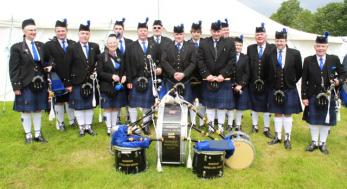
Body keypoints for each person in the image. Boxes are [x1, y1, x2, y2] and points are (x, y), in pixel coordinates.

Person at [302, 32, 345, 154]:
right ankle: (314, 142)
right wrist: (304, 96)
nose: (320, 48)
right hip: (313, 95)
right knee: (313, 120)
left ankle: (323, 143)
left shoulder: (334, 59)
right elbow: (304, 79)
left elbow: (343, 73)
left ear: (327, 47)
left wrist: (338, 81)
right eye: (318, 46)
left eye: (323, 46)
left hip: (329, 95)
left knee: (326, 121)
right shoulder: (308, 60)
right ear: (314, 47)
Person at [9, 18, 51, 143]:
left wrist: (49, 65)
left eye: (34, 30)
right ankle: (28, 135)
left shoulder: (40, 45)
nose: (33, 32)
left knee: (38, 108)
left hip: (40, 83)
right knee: (26, 110)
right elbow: (13, 68)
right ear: (24, 31)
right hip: (25, 84)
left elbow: (49, 59)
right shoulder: (17, 48)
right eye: (30, 30)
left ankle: (37, 134)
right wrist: (16, 87)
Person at [197, 20, 236, 134]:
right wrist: (206, 74)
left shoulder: (229, 43)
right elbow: (200, 60)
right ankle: (210, 126)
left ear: (221, 31)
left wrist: (223, 75)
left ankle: (220, 127)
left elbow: (232, 61)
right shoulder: (204, 43)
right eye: (214, 31)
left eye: (218, 31)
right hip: (208, 78)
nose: (216, 34)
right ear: (211, 31)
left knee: (221, 106)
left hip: (223, 79)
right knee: (210, 105)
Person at [267, 29, 303, 150]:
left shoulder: (295, 53)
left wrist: (291, 81)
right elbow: (267, 70)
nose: (279, 43)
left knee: (287, 113)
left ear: (286, 41)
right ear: (275, 41)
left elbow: (299, 71)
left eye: (281, 41)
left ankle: (288, 138)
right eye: (277, 40)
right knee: (277, 113)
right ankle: (277, 136)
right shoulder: (270, 53)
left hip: (289, 88)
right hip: (274, 88)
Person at [64, 21, 101, 137]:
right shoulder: (72, 48)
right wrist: (68, 83)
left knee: (89, 105)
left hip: (90, 81)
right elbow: (67, 66)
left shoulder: (94, 47)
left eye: (86, 33)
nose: (84, 35)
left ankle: (88, 126)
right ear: (78, 34)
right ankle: (81, 127)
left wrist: (96, 70)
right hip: (76, 82)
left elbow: (99, 62)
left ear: (89, 34)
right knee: (79, 107)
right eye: (82, 33)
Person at [126, 18, 160, 134]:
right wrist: (129, 80)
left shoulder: (154, 45)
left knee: (148, 103)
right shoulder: (131, 46)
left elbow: (158, 60)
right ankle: (134, 124)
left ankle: (146, 124)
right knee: (132, 104)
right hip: (136, 78)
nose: (143, 33)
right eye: (141, 31)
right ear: (137, 32)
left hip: (149, 78)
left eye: (145, 30)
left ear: (147, 32)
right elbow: (128, 64)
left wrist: (158, 68)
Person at [45, 19, 76, 131]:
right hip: (56, 77)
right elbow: (46, 60)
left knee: (70, 99)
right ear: (55, 31)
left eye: (63, 31)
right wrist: (49, 66)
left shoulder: (73, 43)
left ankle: (73, 121)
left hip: (71, 76)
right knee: (59, 100)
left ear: (67, 31)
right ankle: (61, 122)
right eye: (58, 31)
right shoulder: (49, 45)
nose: (61, 33)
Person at [247, 23, 275, 138]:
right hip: (253, 82)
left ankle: (266, 128)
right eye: (257, 34)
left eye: (261, 34)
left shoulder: (272, 48)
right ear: (255, 36)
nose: (259, 36)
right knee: (254, 105)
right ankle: (255, 126)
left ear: (266, 36)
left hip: (267, 82)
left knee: (267, 106)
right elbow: (248, 65)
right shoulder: (250, 48)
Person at [97, 34, 127, 135]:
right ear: (106, 44)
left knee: (115, 106)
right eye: (110, 43)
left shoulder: (121, 55)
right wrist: (111, 77)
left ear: (117, 44)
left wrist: (124, 76)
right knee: (108, 107)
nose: (112, 44)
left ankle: (114, 126)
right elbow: (99, 73)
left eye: (114, 43)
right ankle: (109, 127)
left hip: (118, 86)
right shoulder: (102, 56)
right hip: (106, 86)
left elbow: (125, 69)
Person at [161, 24, 196, 103]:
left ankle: (185, 115)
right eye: (177, 34)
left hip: (185, 80)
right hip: (171, 80)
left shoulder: (191, 46)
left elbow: (193, 63)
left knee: (185, 103)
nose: (179, 36)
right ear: (173, 34)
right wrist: (173, 73)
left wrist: (184, 74)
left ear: (183, 34)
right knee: (170, 105)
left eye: (180, 34)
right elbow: (164, 61)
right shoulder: (167, 46)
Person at [113, 18, 133, 124]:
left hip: (128, 75)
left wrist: (127, 75)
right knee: (117, 97)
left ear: (123, 30)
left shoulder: (130, 43)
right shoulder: (110, 43)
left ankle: (129, 117)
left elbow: (132, 61)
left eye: (120, 28)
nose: (118, 30)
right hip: (115, 76)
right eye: (116, 28)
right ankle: (117, 118)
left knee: (129, 97)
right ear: (113, 30)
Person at [230, 35, 250, 131]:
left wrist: (241, 85)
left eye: (240, 45)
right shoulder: (228, 57)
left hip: (241, 87)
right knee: (229, 107)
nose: (238, 47)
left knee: (239, 108)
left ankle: (238, 125)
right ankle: (230, 125)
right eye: (236, 45)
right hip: (229, 85)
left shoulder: (245, 58)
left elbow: (247, 73)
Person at [188, 21, 205, 127]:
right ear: (191, 32)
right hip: (190, 77)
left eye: (198, 32)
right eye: (194, 32)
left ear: (201, 33)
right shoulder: (186, 44)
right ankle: (193, 122)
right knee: (191, 100)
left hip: (203, 77)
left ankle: (202, 122)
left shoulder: (205, 44)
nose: (196, 34)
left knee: (203, 101)